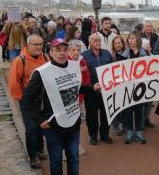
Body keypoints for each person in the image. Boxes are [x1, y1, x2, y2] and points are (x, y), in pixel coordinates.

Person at [22, 38, 101, 175]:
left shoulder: (74, 66)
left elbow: (75, 88)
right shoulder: (42, 73)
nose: (62, 53)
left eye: (65, 50)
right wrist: (40, 120)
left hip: (73, 121)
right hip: (53, 125)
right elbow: (27, 99)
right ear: (50, 53)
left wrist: (92, 87)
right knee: (56, 160)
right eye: (58, 50)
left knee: (74, 158)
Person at [8, 34, 47, 169]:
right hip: (27, 100)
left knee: (41, 125)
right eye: (35, 44)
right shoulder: (20, 60)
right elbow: (13, 83)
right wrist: (21, 100)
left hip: (42, 99)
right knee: (31, 128)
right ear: (28, 45)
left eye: (40, 44)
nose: (38, 47)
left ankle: (41, 148)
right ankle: (33, 155)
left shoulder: (45, 58)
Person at [82, 33, 114, 145]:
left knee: (106, 114)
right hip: (91, 91)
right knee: (91, 115)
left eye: (99, 40)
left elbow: (113, 69)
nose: (98, 42)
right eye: (95, 40)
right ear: (89, 42)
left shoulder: (107, 54)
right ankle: (93, 136)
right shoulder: (84, 56)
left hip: (106, 91)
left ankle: (105, 134)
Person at [121, 31, 148, 144]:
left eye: (132, 38)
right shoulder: (123, 54)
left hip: (141, 85)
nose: (130, 41)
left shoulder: (145, 53)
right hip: (128, 85)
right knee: (128, 109)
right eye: (129, 39)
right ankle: (129, 131)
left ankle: (138, 130)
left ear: (137, 39)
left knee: (139, 109)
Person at [68, 40, 92, 156]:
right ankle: (65, 148)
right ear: (69, 51)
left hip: (80, 97)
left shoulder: (82, 61)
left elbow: (86, 79)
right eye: (73, 50)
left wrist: (82, 95)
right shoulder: (65, 61)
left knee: (77, 122)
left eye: (78, 50)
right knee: (67, 122)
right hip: (68, 98)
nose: (76, 52)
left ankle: (76, 144)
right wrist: (78, 71)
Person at [110, 35, 127, 136]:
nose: (117, 45)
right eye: (115, 43)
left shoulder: (127, 55)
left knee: (125, 106)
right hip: (115, 85)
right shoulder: (111, 56)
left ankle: (124, 124)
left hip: (125, 84)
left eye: (119, 43)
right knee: (116, 105)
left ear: (122, 44)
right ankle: (115, 125)